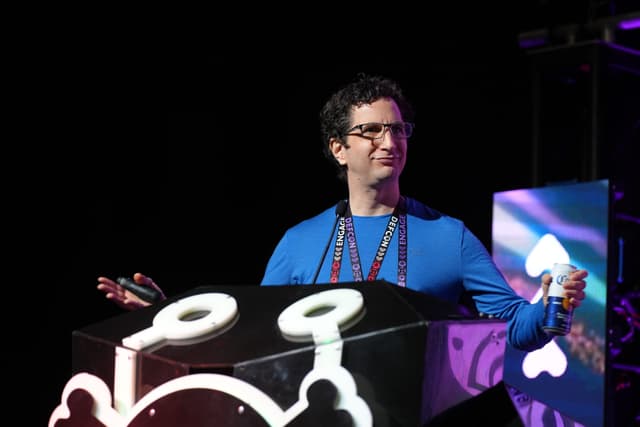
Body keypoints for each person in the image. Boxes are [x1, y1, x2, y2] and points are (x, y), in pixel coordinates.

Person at [97, 73, 588, 352]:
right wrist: (167, 316)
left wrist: (550, 307)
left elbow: (511, 328)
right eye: (371, 131)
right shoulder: (298, 241)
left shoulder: (449, 235)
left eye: (398, 130)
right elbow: (252, 338)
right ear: (338, 148)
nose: (389, 141)